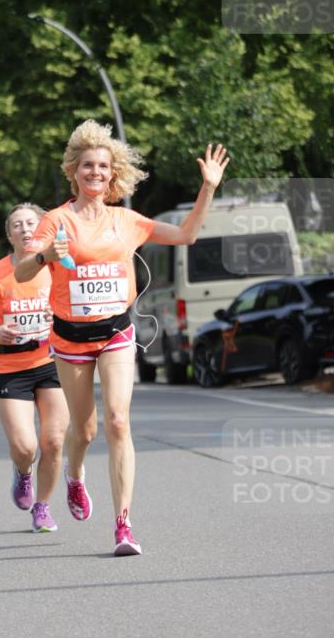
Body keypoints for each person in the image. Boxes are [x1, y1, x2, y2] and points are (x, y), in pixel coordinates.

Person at [15, 119, 230, 556]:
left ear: (113, 175)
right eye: (88, 165)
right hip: (71, 338)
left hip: (115, 331)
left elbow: (186, 235)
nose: (96, 172)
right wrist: (43, 257)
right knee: (85, 428)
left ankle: (123, 526)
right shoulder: (55, 221)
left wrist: (207, 187)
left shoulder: (126, 220)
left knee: (117, 421)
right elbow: (21, 272)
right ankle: (75, 478)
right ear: (73, 171)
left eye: (104, 166)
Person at [0, 203, 69, 533]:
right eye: (17, 225)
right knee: (26, 447)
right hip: (9, 366)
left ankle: (43, 506)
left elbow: (75, 305)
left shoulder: (58, 268)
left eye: (31, 224)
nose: (25, 229)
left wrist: (60, 318)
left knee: (53, 441)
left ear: (42, 230)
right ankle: (23, 473)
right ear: (9, 235)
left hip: (52, 361)